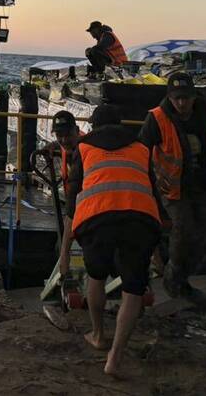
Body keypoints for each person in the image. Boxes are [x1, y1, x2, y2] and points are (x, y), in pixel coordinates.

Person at [60, 104, 161, 377]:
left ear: (93, 126)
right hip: (139, 218)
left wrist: (65, 251)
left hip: (97, 217)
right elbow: (151, 185)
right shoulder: (141, 147)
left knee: (96, 276)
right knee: (133, 289)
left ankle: (98, 334)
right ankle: (115, 359)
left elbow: (72, 197)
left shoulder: (83, 148)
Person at [139, 70, 206, 300]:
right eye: (177, 98)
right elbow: (142, 150)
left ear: (194, 97)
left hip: (204, 184)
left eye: (186, 98)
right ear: (170, 98)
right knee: (183, 230)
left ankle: (180, 276)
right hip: (173, 188)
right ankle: (175, 280)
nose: (182, 103)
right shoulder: (157, 118)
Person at [49, 110, 82, 198]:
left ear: (77, 130)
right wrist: (53, 145)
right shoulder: (67, 146)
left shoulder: (87, 152)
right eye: (59, 135)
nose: (64, 140)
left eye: (68, 135)